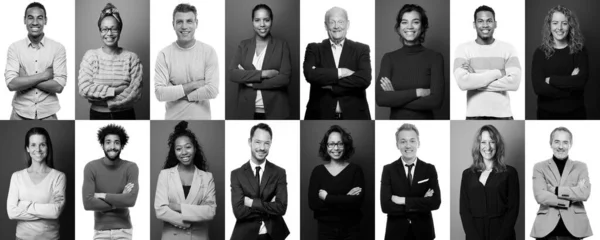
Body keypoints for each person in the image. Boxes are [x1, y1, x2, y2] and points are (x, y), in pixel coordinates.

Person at [376, 4, 444, 119]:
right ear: (398, 27)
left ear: (422, 27)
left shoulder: (435, 58)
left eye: (415, 22)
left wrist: (395, 98)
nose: (410, 26)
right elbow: (381, 99)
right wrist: (418, 92)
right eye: (404, 22)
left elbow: (435, 101)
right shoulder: (389, 58)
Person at [453, 5, 521, 120]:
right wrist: (500, 72)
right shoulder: (463, 49)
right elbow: (463, 83)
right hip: (474, 115)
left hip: (503, 115)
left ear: (495, 24)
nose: (485, 25)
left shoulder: (508, 49)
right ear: (474, 25)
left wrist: (475, 79)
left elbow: (514, 83)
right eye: (480, 21)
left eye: (489, 21)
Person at [303, 7, 372, 120]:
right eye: (332, 22)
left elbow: (364, 79)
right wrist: (341, 72)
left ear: (347, 24)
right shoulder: (313, 48)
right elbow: (310, 74)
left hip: (355, 115)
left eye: (340, 22)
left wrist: (330, 85)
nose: (336, 26)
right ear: (326, 25)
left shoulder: (361, 49)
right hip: (319, 116)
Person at [78, 3, 143, 120]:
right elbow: (84, 89)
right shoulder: (91, 56)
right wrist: (117, 90)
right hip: (98, 115)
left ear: (120, 30)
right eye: (105, 29)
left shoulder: (132, 58)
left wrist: (103, 98)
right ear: (100, 31)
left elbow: (135, 93)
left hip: (126, 115)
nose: (109, 33)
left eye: (114, 29)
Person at [154, 3, 219, 120]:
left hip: (202, 122)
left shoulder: (208, 52)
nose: (184, 26)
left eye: (189, 21)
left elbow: (212, 90)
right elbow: (160, 93)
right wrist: (195, 84)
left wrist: (175, 92)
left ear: (196, 23)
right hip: (172, 121)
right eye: (179, 22)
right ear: (173, 24)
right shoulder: (164, 55)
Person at [154, 121, 216, 240]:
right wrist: (188, 221)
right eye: (178, 149)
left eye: (188, 147)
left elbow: (210, 211)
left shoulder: (207, 177)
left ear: (195, 148)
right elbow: (160, 210)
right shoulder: (165, 175)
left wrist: (178, 207)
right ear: (174, 152)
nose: (184, 152)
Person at [4, 2, 67, 120]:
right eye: (30, 18)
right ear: (24, 20)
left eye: (39, 18)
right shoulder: (14, 48)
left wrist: (26, 78)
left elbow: (59, 86)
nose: (35, 22)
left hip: (48, 113)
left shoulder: (58, 48)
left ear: (45, 20)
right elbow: (12, 84)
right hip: (19, 113)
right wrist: (45, 75)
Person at [228, 4, 292, 119]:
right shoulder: (244, 45)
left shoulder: (282, 45)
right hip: (246, 109)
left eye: (266, 20)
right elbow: (233, 74)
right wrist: (264, 74)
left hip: (276, 109)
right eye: (257, 20)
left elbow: (284, 78)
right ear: (252, 22)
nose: (262, 24)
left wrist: (251, 82)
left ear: (271, 21)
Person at [380, 123, 440, 240]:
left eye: (412, 141)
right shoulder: (388, 170)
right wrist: (422, 201)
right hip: (396, 233)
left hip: (423, 233)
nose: (408, 145)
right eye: (403, 141)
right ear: (397, 144)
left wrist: (402, 200)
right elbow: (386, 206)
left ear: (418, 143)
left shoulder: (429, 169)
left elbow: (435, 202)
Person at [230, 123, 289, 240]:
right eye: (258, 142)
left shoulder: (279, 172)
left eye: (266, 143)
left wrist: (252, 203)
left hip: (273, 234)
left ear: (270, 144)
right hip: (245, 235)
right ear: (249, 142)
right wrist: (270, 206)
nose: (262, 148)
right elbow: (239, 212)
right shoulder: (237, 174)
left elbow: (281, 208)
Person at [459, 125, 519, 240]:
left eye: (492, 142)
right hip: (475, 235)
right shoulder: (467, 174)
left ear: (497, 145)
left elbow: (513, 210)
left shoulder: (510, 173)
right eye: (483, 142)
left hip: (502, 235)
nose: (488, 147)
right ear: (478, 145)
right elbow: (464, 210)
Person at [531, 127, 592, 239]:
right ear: (550, 143)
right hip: (545, 229)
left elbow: (584, 193)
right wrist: (570, 199)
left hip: (575, 228)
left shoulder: (581, 167)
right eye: (557, 142)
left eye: (565, 142)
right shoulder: (539, 167)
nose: (560, 146)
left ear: (570, 144)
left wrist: (555, 190)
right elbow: (540, 196)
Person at [7, 127, 66, 240]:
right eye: (33, 145)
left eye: (42, 144)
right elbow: (11, 213)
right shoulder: (17, 177)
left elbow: (55, 212)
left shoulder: (58, 177)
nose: (38, 149)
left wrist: (24, 205)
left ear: (48, 147)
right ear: (27, 148)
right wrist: (46, 211)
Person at [82, 124, 139, 239]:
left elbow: (131, 200)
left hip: (124, 231)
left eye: (116, 142)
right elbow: (88, 204)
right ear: (102, 145)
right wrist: (120, 199)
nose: (112, 146)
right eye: (108, 142)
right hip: (100, 231)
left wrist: (102, 195)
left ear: (122, 145)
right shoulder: (91, 167)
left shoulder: (131, 167)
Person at [531, 6, 589, 120]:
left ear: (570, 25)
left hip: (575, 114)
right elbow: (539, 88)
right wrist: (570, 82)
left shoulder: (579, 51)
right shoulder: (540, 53)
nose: (559, 28)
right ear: (549, 25)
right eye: (555, 23)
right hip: (546, 115)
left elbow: (580, 82)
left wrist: (551, 80)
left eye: (564, 23)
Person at [308, 125, 365, 240]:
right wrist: (346, 198)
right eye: (331, 144)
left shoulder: (355, 170)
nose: (336, 148)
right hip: (325, 231)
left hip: (351, 230)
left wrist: (327, 198)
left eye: (340, 143)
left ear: (345, 145)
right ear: (326, 146)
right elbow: (313, 204)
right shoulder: (318, 171)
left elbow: (357, 203)